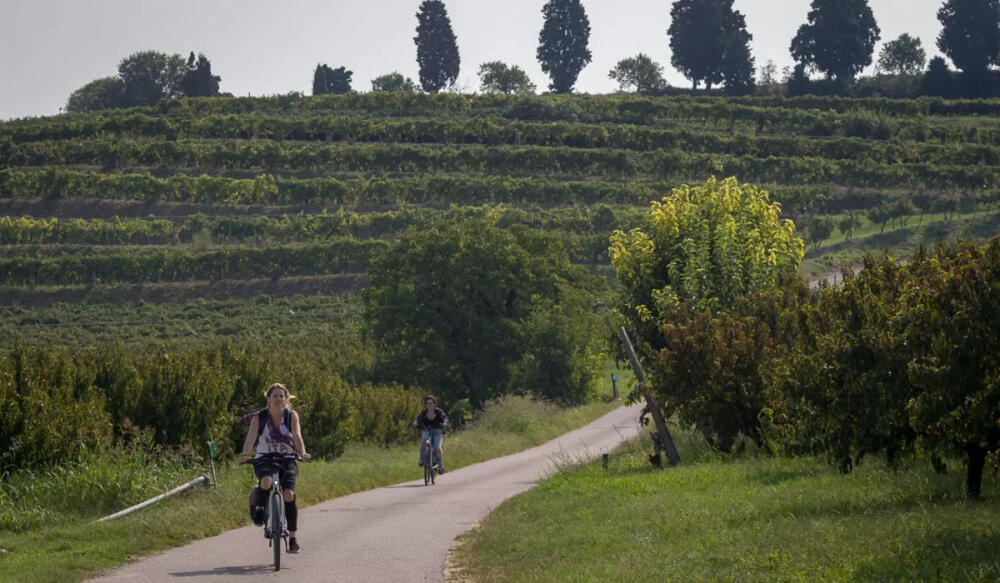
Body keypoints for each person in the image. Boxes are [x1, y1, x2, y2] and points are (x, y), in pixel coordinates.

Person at [239, 383, 311, 554]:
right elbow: (251, 438)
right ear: (268, 398)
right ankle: (260, 508)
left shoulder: (291, 416)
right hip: (265, 458)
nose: (278, 399)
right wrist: (245, 453)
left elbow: (297, 435)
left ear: (286, 399)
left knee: (289, 495)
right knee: (266, 482)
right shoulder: (259, 417)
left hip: (288, 459)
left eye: (281, 396)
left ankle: (292, 539)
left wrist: (303, 452)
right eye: (275, 395)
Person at [413, 395, 448, 473]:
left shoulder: (439, 412)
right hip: (426, 430)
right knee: (424, 441)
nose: (429, 405)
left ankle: (440, 466)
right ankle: (422, 459)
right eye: (427, 403)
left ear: (435, 404)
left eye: (431, 403)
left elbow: (445, 418)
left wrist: (444, 423)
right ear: (425, 405)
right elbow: (417, 418)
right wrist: (415, 423)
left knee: (437, 448)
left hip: (437, 432)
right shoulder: (423, 412)